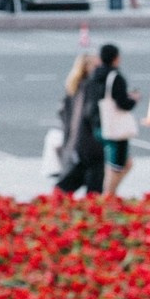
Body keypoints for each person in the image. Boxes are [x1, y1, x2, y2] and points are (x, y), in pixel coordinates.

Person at [52, 49, 104, 194]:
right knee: (92, 175)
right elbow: (87, 113)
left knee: (82, 171)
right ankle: (62, 194)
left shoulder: (74, 86)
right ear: (87, 67)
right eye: (96, 65)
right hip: (88, 139)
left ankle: (59, 194)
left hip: (77, 139)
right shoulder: (88, 87)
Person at [94, 42, 141, 195]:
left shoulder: (96, 75)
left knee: (119, 164)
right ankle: (108, 196)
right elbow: (123, 104)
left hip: (98, 124)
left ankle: (109, 195)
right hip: (115, 129)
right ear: (116, 58)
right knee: (117, 166)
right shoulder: (115, 77)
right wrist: (133, 99)